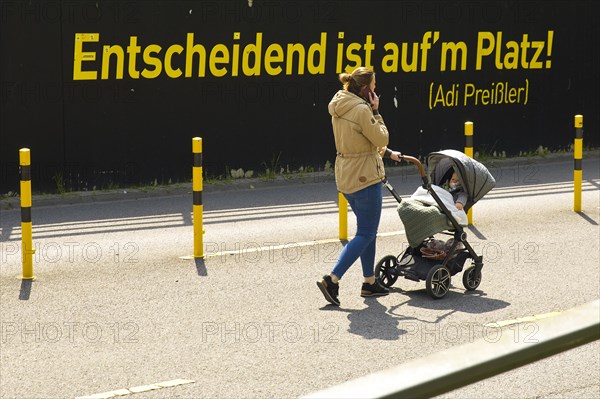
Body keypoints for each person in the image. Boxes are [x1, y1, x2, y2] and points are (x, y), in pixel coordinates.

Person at [316, 67, 402, 306]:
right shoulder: (363, 109)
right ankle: (332, 279)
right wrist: (377, 111)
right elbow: (381, 138)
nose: (376, 88)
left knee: (367, 231)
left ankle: (369, 282)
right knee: (365, 233)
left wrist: (387, 154)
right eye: (374, 84)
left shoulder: (339, 103)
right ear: (366, 89)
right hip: (365, 177)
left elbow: (359, 140)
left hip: (346, 175)